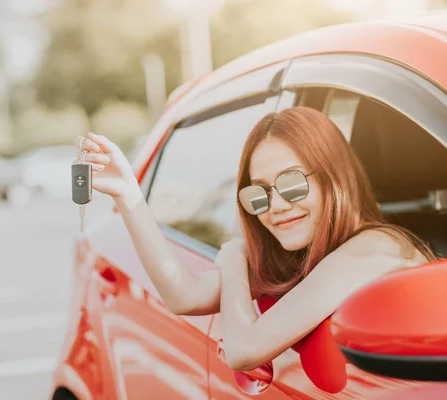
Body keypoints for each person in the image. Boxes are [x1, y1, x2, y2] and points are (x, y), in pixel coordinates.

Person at [74, 106, 436, 379]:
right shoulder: (300, 251)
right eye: (259, 194)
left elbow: (244, 350)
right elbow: (185, 295)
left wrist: (233, 258)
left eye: (292, 183)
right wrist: (128, 195)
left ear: (333, 177)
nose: (276, 206)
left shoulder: (374, 248)